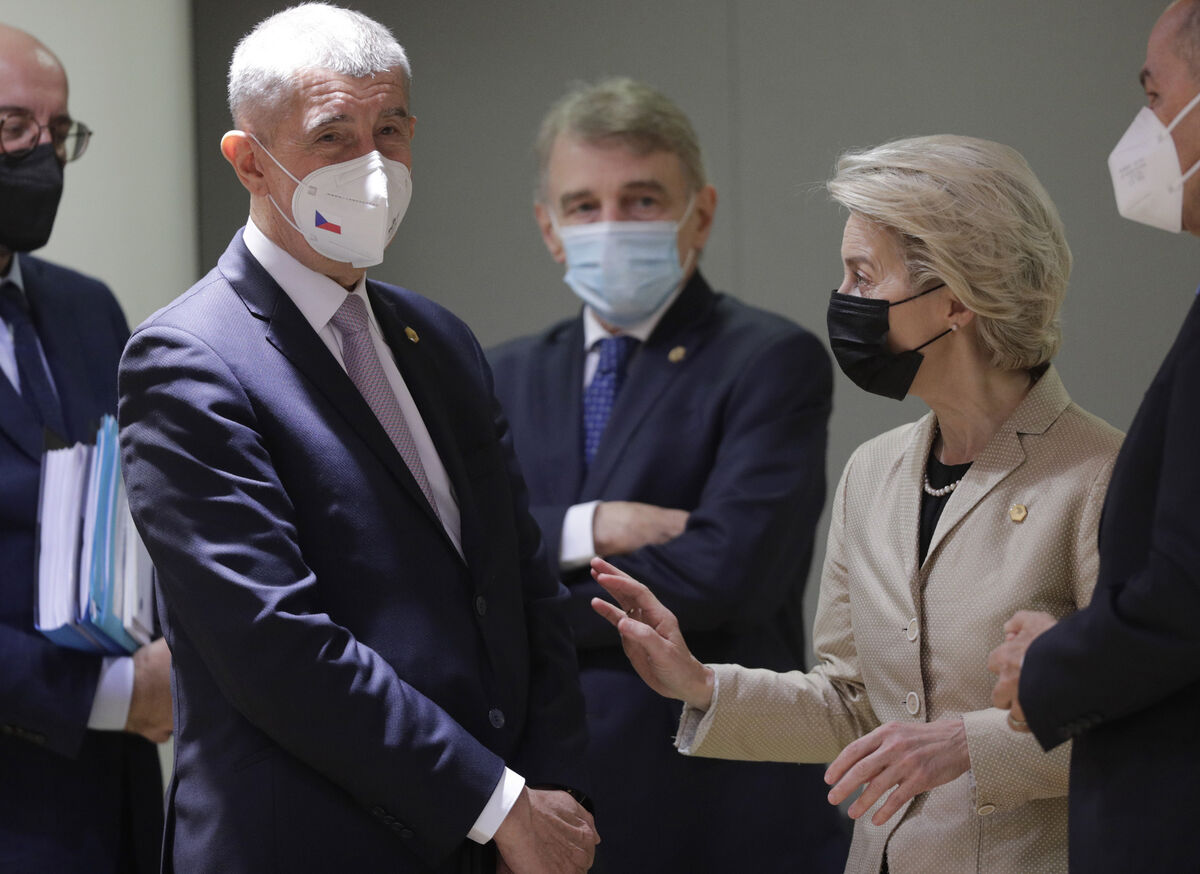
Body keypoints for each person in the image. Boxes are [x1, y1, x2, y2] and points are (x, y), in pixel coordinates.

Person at [117, 5, 596, 873]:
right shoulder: (189, 360)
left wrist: (552, 789)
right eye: (333, 136)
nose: (372, 167)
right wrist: (495, 802)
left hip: (497, 840)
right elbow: (277, 647)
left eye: (391, 131)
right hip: (311, 844)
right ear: (249, 161)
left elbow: (519, 584)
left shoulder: (439, 340)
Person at [589, 135, 1124, 874]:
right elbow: (855, 704)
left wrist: (969, 744)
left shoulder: (1104, 475)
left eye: (863, 275)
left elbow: (1146, 721)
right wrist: (701, 683)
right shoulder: (873, 472)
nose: (843, 298)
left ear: (957, 299)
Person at [488, 77, 848, 873]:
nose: (612, 225)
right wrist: (592, 525)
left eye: (642, 200)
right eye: (584, 206)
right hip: (543, 808)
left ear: (701, 214)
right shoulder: (497, 376)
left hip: (715, 805)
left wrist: (512, 604)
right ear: (549, 229)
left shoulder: (769, 360)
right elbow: (456, 550)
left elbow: (724, 575)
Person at [988, 2, 1200, 870]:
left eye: (1156, 97)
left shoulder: (1080, 459)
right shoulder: (873, 471)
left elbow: (1184, 597)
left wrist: (1049, 664)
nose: (1143, 130)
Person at [0, 24, 170, 873]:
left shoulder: (87, 307)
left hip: (118, 799)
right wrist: (108, 695)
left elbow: (140, 501)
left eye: (58, 132)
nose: (43, 155)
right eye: (12, 128)